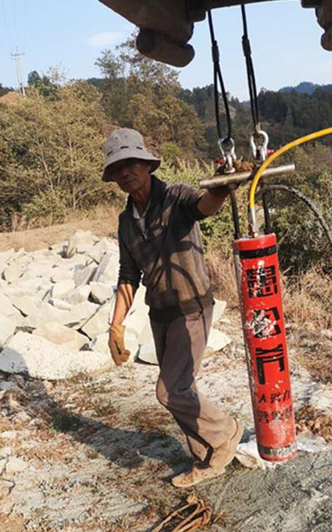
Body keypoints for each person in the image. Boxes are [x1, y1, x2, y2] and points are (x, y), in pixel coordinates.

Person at [102, 128, 243, 488]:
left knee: (170, 391)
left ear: (148, 165)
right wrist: (115, 326)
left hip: (190, 305)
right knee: (182, 387)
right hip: (159, 311)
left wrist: (221, 190)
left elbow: (203, 207)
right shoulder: (125, 221)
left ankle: (226, 432)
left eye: (131, 163)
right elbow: (128, 273)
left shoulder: (175, 195)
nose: (124, 172)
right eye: (117, 168)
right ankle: (206, 456)